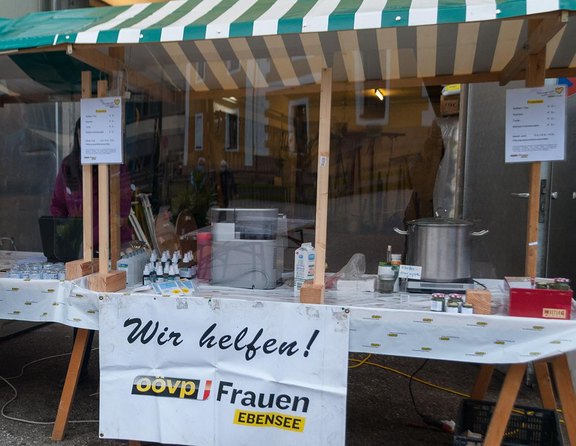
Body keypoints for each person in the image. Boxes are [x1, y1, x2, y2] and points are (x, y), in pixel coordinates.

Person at [50, 118, 134, 248]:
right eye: (82, 136)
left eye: (91, 136)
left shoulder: (116, 168)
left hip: (113, 246)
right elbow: (58, 206)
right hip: (77, 247)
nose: (87, 141)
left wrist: (90, 238)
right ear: (77, 137)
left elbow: (121, 213)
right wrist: (65, 233)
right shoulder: (67, 166)